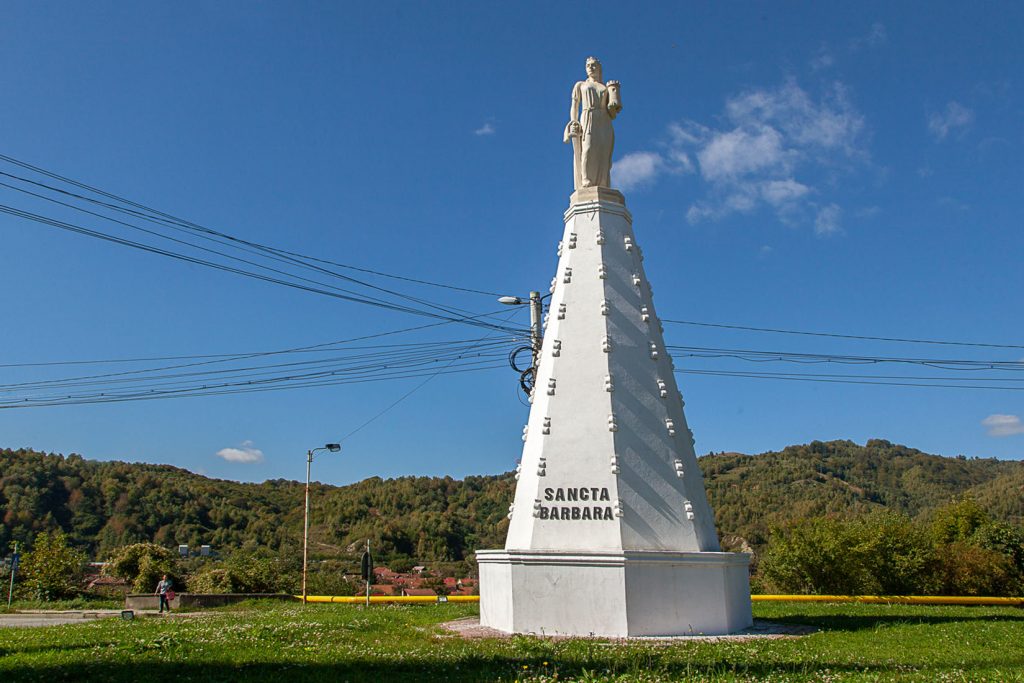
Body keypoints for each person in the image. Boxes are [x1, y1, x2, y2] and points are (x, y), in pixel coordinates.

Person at [564, 57, 622, 190]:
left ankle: (603, 181)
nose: (591, 68)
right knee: (588, 148)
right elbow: (574, 106)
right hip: (588, 117)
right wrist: (574, 121)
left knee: (604, 151)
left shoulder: (605, 88)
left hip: (604, 120)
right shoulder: (580, 85)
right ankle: (585, 178)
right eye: (588, 65)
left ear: (599, 68)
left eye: (594, 65)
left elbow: (612, 114)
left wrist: (614, 105)